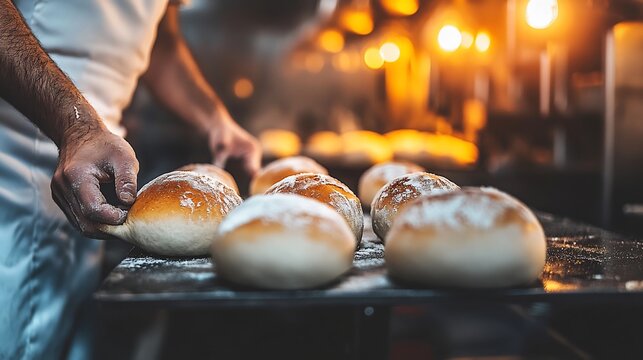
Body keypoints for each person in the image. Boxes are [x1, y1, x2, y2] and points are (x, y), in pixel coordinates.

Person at [0, 0, 261, 358]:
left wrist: (215, 120)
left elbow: (159, 39)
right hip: (15, 155)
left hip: (96, 162)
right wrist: (75, 126)